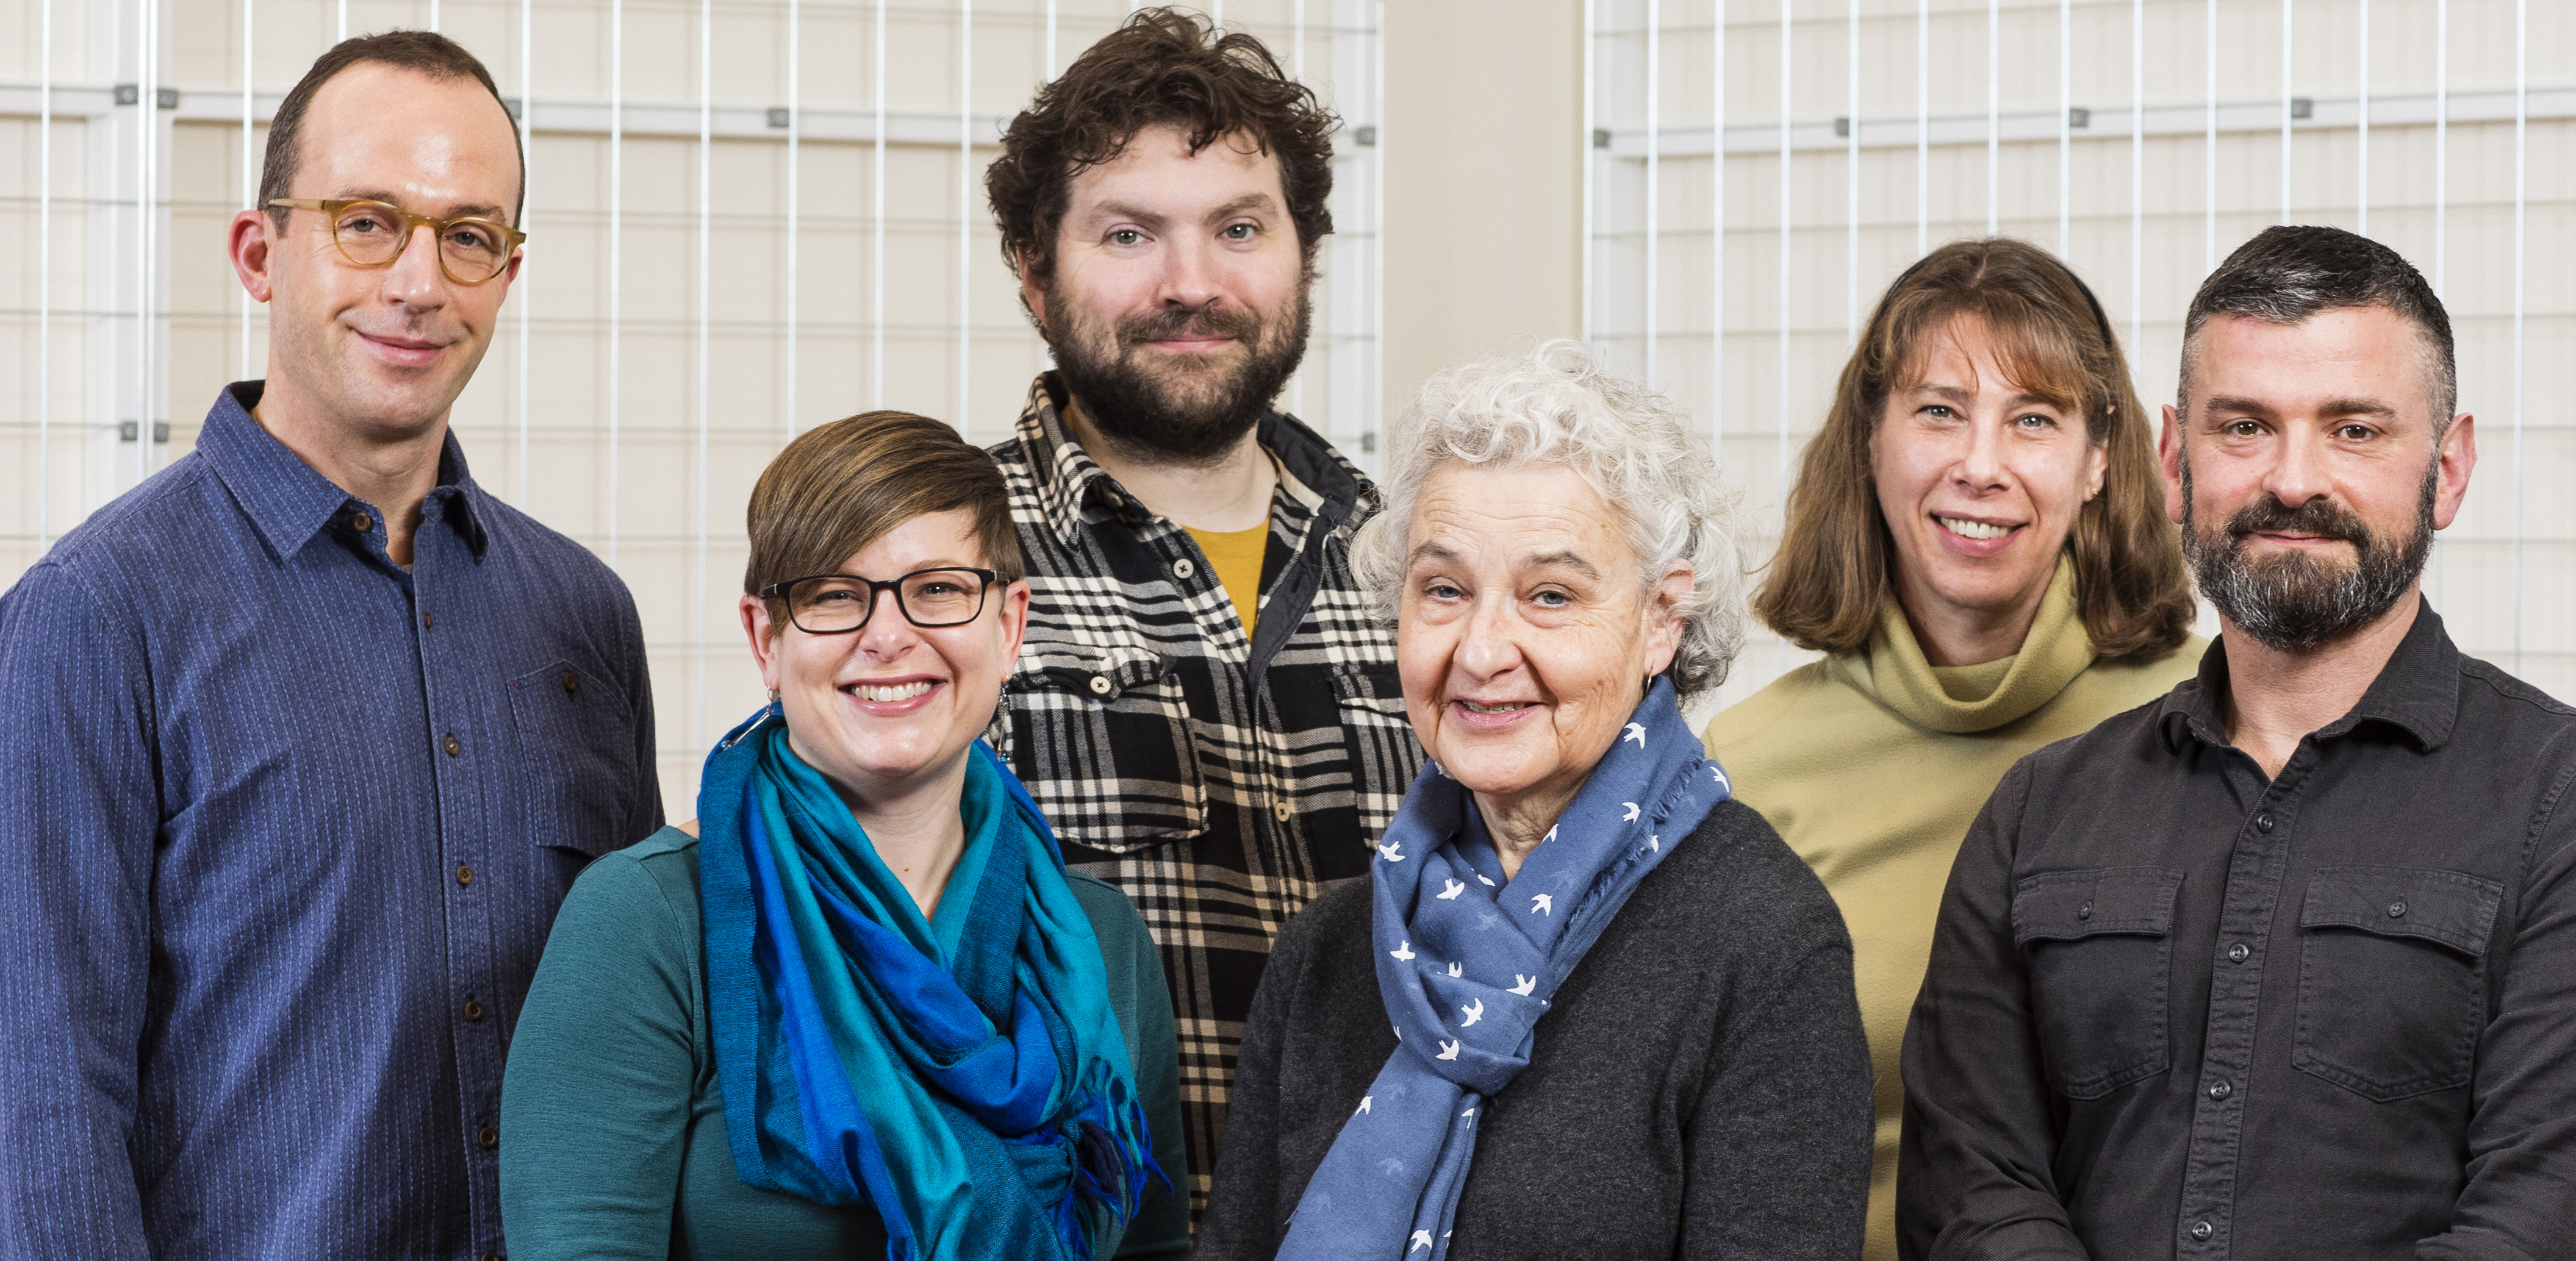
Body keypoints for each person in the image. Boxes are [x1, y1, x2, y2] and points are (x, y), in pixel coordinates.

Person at [0, 32, 658, 1260]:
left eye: (469, 235)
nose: (420, 280)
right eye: (368, 221)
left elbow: (638, 1039)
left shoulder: (585, 615)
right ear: (261, 252)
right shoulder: (94, 614)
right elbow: (41, 1105)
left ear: (508, 274)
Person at [1900, 226, 2576, 1260]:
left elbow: (2541, 1214)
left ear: (2447, 468)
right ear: (2175, 461)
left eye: (2354, 430)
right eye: (2245, 428)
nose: (2294, 480)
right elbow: (1972, 1190)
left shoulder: (2554, 799)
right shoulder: (2041, 810)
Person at [1197, 343, 1874, 1260]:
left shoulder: (1763, 943)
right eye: (1443, 590)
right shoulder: (1326, 953)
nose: (1480, 651)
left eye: (1549, 596)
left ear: (1661, 620)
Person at [498, 413, 1189, 1260]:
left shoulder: (1103, 940)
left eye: (939, 588)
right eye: (834, 595)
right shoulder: (647, 919)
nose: (889, 636)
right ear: (766, 638)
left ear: (1009, 627)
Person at [982, 7, 1420, 1209]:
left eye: (1239, 228)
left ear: (1305, 255)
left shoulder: (1421, 566)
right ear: (1034, 271)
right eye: (1129, 234)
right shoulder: (945, 576)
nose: (1192, 284)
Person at [1700, 237, 2203, 1260]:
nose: (1981, 464)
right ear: (1870, 442)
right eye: (1939, 411)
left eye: (2033, 419)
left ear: (2102, 457)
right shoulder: (1748, 768)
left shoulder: (2214, 719)